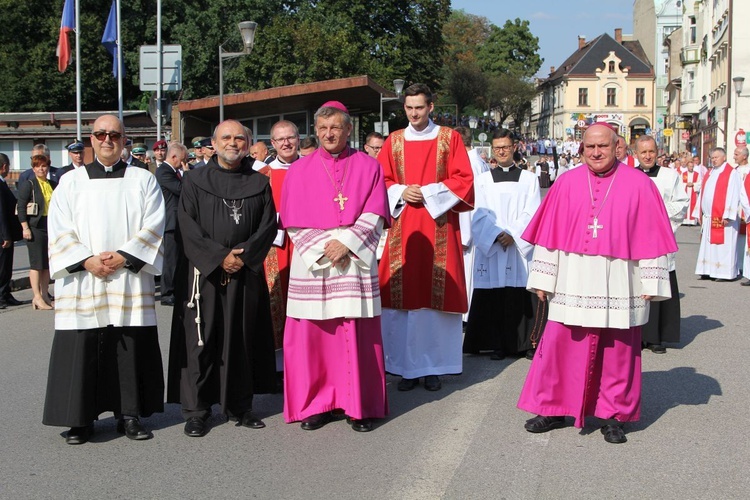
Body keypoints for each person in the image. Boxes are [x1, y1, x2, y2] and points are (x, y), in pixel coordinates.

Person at [517, 122, 677, 444]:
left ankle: (613, 415)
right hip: (572, 279)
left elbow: (652, 237)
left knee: (619, 351)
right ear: (581, 148)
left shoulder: (640, 185)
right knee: (561, 346)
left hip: (621, 281)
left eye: (602, 146)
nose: (596, 152)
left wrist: (652, 280)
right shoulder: (565, 183)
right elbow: (549, 239)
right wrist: (543, 278)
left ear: (617, 146)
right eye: (590, 147)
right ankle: (552, 407)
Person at [43, 114, 166, 444]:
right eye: (100, 134)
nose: (107, 139)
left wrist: (124, 256)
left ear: (124, 139)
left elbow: (154, 224)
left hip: (127, 275)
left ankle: (130, 416)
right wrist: (86, 260)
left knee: (128, 345)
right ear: (91, 139)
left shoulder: (143, 180)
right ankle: (80, 420)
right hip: (84, 277)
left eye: (114, 134)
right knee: (84, 345)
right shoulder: (71, 182)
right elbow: (59, 228)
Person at [279, 101, 390, 432]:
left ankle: (360, 405)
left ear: (348, 130)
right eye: (323, 128)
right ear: (316, 130)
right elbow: (292, 219)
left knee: (355, 331)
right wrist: (324, 249)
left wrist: (348, 243)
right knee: (315, 335)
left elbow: (375, 212)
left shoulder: (369, 166)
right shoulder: (299, 170)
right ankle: (318, 405)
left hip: (352, 261)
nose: (329, 134)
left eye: (336, 128)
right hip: (315, 262)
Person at [167, 120, 278, 438]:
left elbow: (267, 224)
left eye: (239, 138)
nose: (233, 142)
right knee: (201, 340)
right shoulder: (194, 179)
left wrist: (242, 256)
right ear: (213, 144)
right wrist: (219, 257)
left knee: (241, 338)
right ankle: (198, 410)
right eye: (226, 137)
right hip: (204, 274)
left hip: (245, 272)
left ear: (247, 144)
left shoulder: (259, 181)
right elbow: (187, 223)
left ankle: (240, 406)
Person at [377, 83, 474, 392]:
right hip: (402, 227)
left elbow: (464, 180)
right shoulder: (393, 142)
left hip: (439, 225)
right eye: (409, 108)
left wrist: (429, 191)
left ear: (431, 107)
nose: (415, 113)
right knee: (403, 300)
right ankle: (405, 368)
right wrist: (401, 190)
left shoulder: (449, 139)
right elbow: (380, 178)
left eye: (420, 107)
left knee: (434, 301)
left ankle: (433, 367)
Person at [463, 128, 541, 360]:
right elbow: (477, 214)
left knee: (519, 292)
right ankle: (496, 343)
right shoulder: (483, 180)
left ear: (514, 147)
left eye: (506, 147)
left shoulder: (529, 179)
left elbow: (533, 212)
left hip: (517, 247)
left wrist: (513, 234)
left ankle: (523, 343)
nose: (502, 151)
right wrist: (497, 234)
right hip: (494, 246)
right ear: (492, 150)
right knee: (494, 293)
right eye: (497, 148)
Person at [635, 135, 689, 353]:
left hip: (660, 238)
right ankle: (637, 335)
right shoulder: (628, 176)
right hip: (635, 240)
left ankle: (656, 336)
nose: (648, 156)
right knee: (637, 286)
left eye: (651, 151)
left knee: (658, 283)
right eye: (643, 152)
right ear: (636, 154)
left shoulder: (670, 175)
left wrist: (657, 217)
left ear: (657, 152)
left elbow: (682, 203)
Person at [259, 120, 300, 369]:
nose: (286, 143)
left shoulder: (312, 168)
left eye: (291, 138)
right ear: (273, 144)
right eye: (280, 139)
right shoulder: (262, 175)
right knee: (275, 298)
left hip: (306, 246)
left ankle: (303, 357)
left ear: (298, 139)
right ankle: (276, 365)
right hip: (274, 247)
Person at [455, 126, 489, 321]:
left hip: (469, 226)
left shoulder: (471, 164)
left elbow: (470, 200)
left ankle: (466, 314)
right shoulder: (477, 161)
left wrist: (465, 234)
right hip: (472, 225)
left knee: (468, 272)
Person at [694, 148, 742, 282]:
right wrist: (700, 211)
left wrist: (728, 214)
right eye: (712, 157)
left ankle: (724, 273)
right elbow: (704, 192)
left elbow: (734, 194)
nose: (713, 160)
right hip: (709, 217)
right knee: (709, 246)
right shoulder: (710, 172)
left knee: (723, 246)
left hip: (723, 218)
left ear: (724, 157)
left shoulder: (731, 173)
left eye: (716, 157)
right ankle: (708, 270)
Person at [17, 154, 57, 310]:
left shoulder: (52, 184)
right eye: (38, 166)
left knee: (47, 264)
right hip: (35, 227)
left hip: (49, 226)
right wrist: (25, 227)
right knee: (36, 264)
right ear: (33, 168)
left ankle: (45, 294)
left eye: (44, 165)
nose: (41, 169)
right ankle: (37, 297)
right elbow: (21, 207)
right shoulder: (29, 185)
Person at [155, 142, 189, 306]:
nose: (183, 164)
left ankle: (175, 289)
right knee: (171, 259)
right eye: (182, 160)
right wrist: (187, 174)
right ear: (174, 157)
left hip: (178, 221)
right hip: (171, 221)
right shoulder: (164, 171)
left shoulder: (173, 171)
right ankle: (166, 292)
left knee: (178, 258)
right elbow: (181, 189)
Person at [0, 153, 23, 309]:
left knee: (7, 267)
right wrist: (6, 236)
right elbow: (1, 212)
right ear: (4, 167)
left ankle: (6, 293)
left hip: (7, 233)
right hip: (3, 235)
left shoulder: (2, 183)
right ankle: (1, 295)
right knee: (2, 267)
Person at [681, 158, 702, 225]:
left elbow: (700, 183)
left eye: (692, 166)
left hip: (693, 192)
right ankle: (685, 220)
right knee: (685, 205)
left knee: (693, 205)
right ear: (687, 166)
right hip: (686, 192)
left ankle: (692, 221)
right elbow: (680, 183)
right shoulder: (683, 174)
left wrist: (693, 184)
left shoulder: (697, 174)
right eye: (690, 166)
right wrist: (686, 184)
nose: (691, 168)